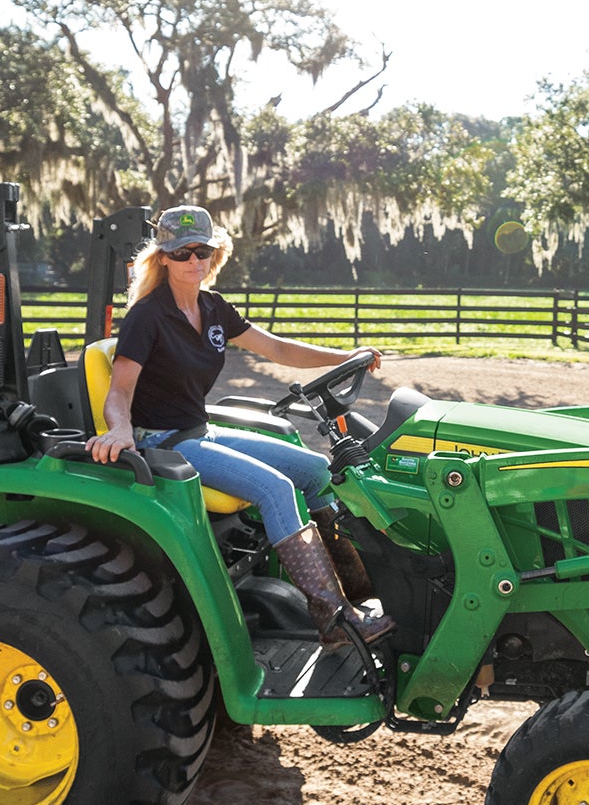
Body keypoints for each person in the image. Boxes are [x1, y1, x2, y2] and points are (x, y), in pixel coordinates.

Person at [85, 204, 394, 646]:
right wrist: (119, 430)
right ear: (164, 258)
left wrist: (343, 356)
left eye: (202, 251)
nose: (194, 260)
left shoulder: (212, 308)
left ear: (215, 254)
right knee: (276, 489)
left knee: (316, 470)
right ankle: (333, 618)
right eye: (182, 252)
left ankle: (363, 594)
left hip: (199, 430)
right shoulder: (148, 316)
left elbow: (277, 349)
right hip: (165, 442)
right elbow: (119, 390)